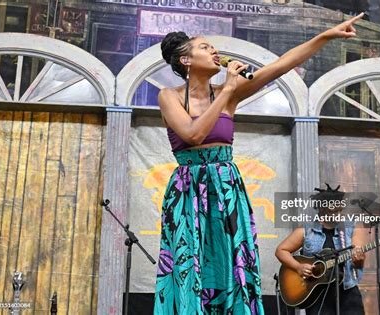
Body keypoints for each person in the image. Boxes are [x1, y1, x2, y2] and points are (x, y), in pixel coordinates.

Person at [154, 12, 365, 314]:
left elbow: (283, 64)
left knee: (230, 264)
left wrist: (326, 36)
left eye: (213, 47)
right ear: (185, 61)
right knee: (191, 264)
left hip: (226, 188)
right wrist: (227, 89)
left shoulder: (229, 93)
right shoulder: (169, 96)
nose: (214, 51)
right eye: (204, 47)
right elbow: (193, 133)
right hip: (189, 191)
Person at [275, 184, 368, 315]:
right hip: (317, 293)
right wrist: (298, 267)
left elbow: (357, 261)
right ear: (321, 209)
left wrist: (359, 259)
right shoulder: (306, 230)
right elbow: (281, 250)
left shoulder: (351, 228)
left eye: (339, 210)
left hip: (347, 292)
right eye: (333, 211)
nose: (337, 215)